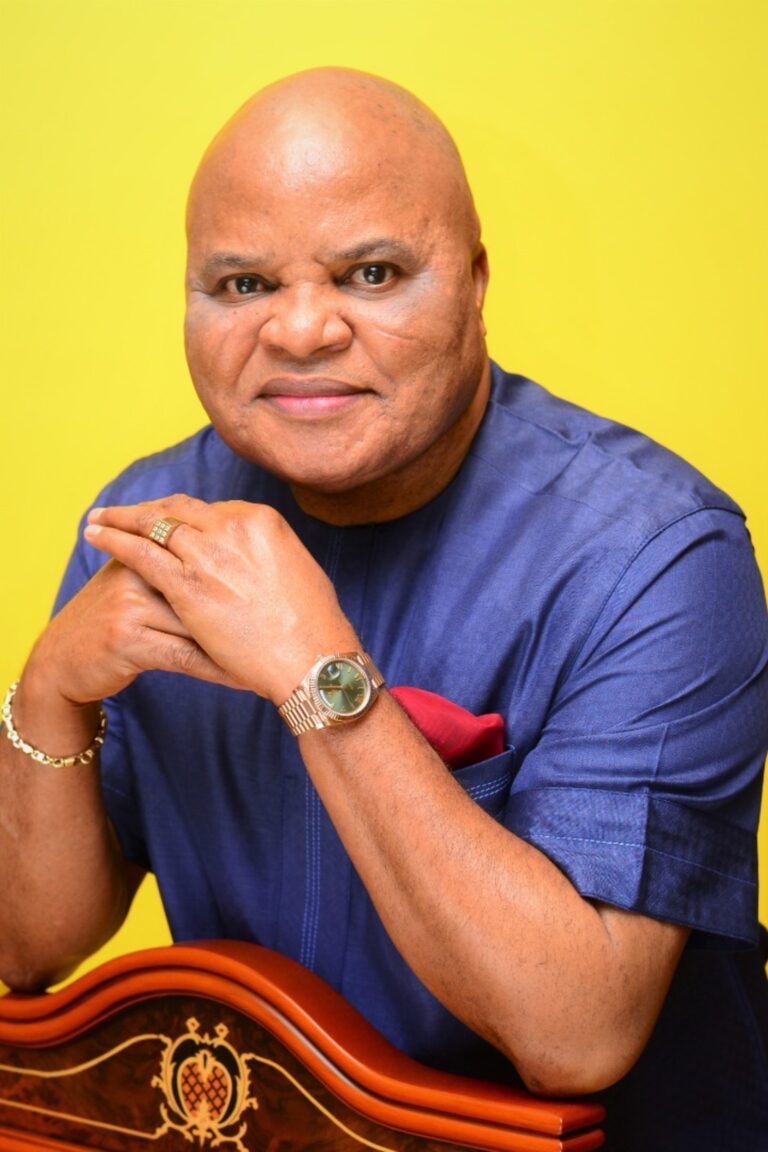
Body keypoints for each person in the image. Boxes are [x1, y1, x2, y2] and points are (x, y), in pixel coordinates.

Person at [1, 68, 766, 1148]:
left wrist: (314, 669)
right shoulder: (152, 524)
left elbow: (578, 1032)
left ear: (476, 282)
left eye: (372, 274)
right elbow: (30, 948)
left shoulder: (656, 556)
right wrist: (49, 689)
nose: (301, 330)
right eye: (243, 284)